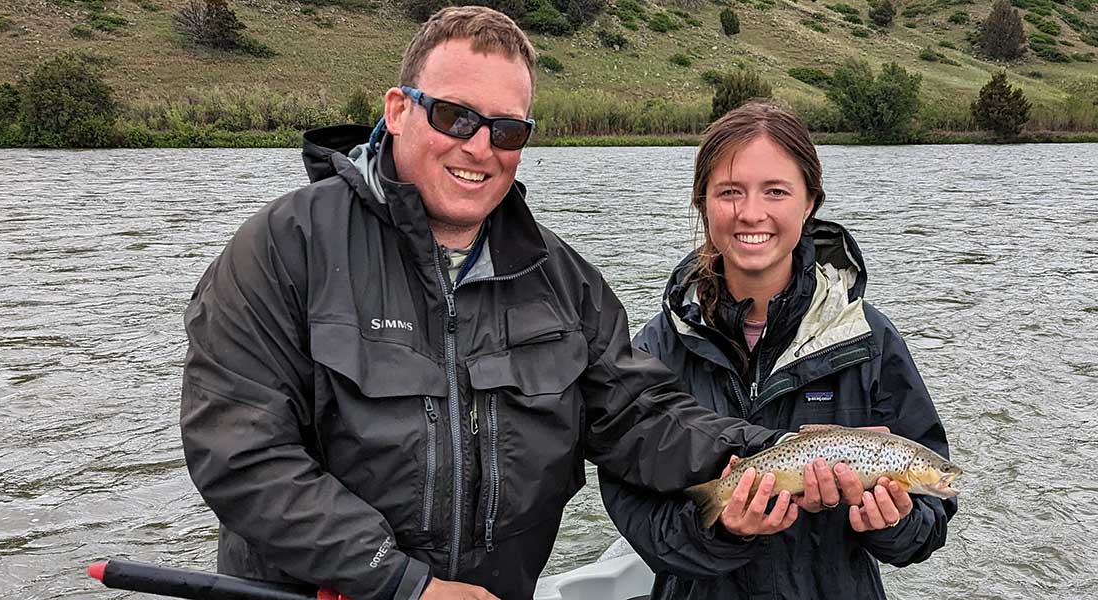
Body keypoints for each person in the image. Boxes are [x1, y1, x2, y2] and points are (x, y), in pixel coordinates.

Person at [179, 7, 784, 600]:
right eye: (454, 116)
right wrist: (401, 583)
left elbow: (640, 419)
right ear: (397, 111)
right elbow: (242, 453)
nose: (479, 146)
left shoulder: (565, 280)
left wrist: (775, 455)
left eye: (507, 129)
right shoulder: (284, 248)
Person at [599, 101, 957, 599]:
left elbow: (928, 527)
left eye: (776, 192)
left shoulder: (871, 341)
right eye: (729, 192)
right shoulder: (657, 348)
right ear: (703, 202)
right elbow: (634, 507)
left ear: (810, 202)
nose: (751, 213)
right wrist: (723, 529)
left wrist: (890, 525)